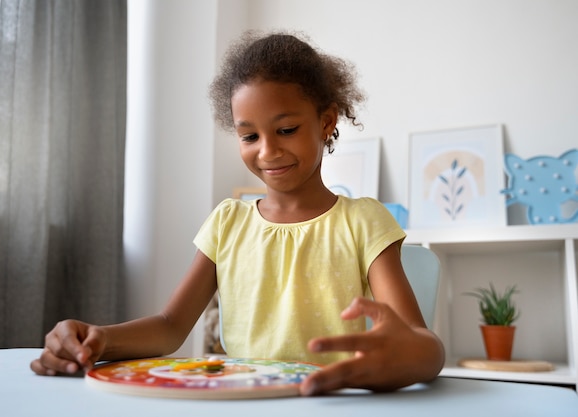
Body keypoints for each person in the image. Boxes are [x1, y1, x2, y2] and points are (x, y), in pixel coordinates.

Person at [30, 30, 445, 396]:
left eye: (285, 130)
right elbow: (172, 326)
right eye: (249, 135)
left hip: (330, 404)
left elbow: (423, 345)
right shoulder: (228, 222)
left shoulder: (362, 221)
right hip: (241, 402)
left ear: (326, 122)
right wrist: (99, 339)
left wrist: (411, 353)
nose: (267, 151)